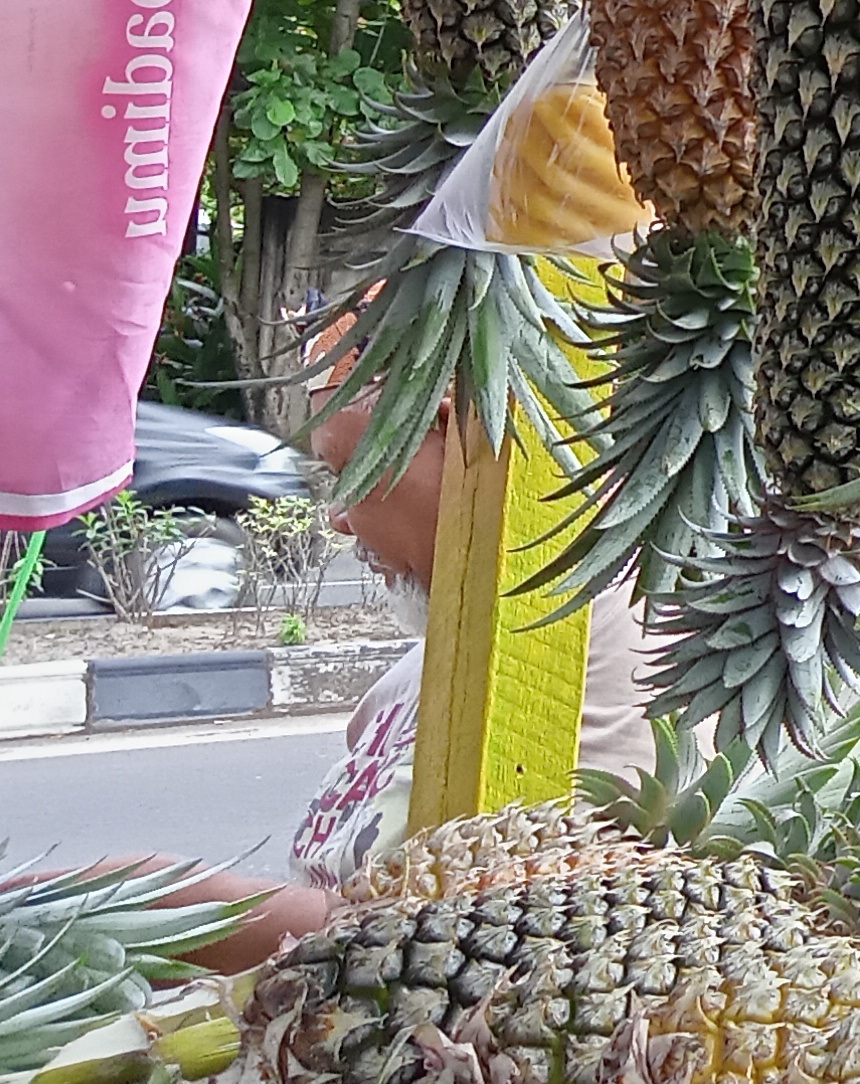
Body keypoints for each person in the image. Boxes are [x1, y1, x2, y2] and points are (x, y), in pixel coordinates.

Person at [96, 385, 651, 969]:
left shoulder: (603, 642)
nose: (337, 518)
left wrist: (170, 905)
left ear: (462, 434)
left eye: (349, 472)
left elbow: (477, 940)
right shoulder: (416, 674)